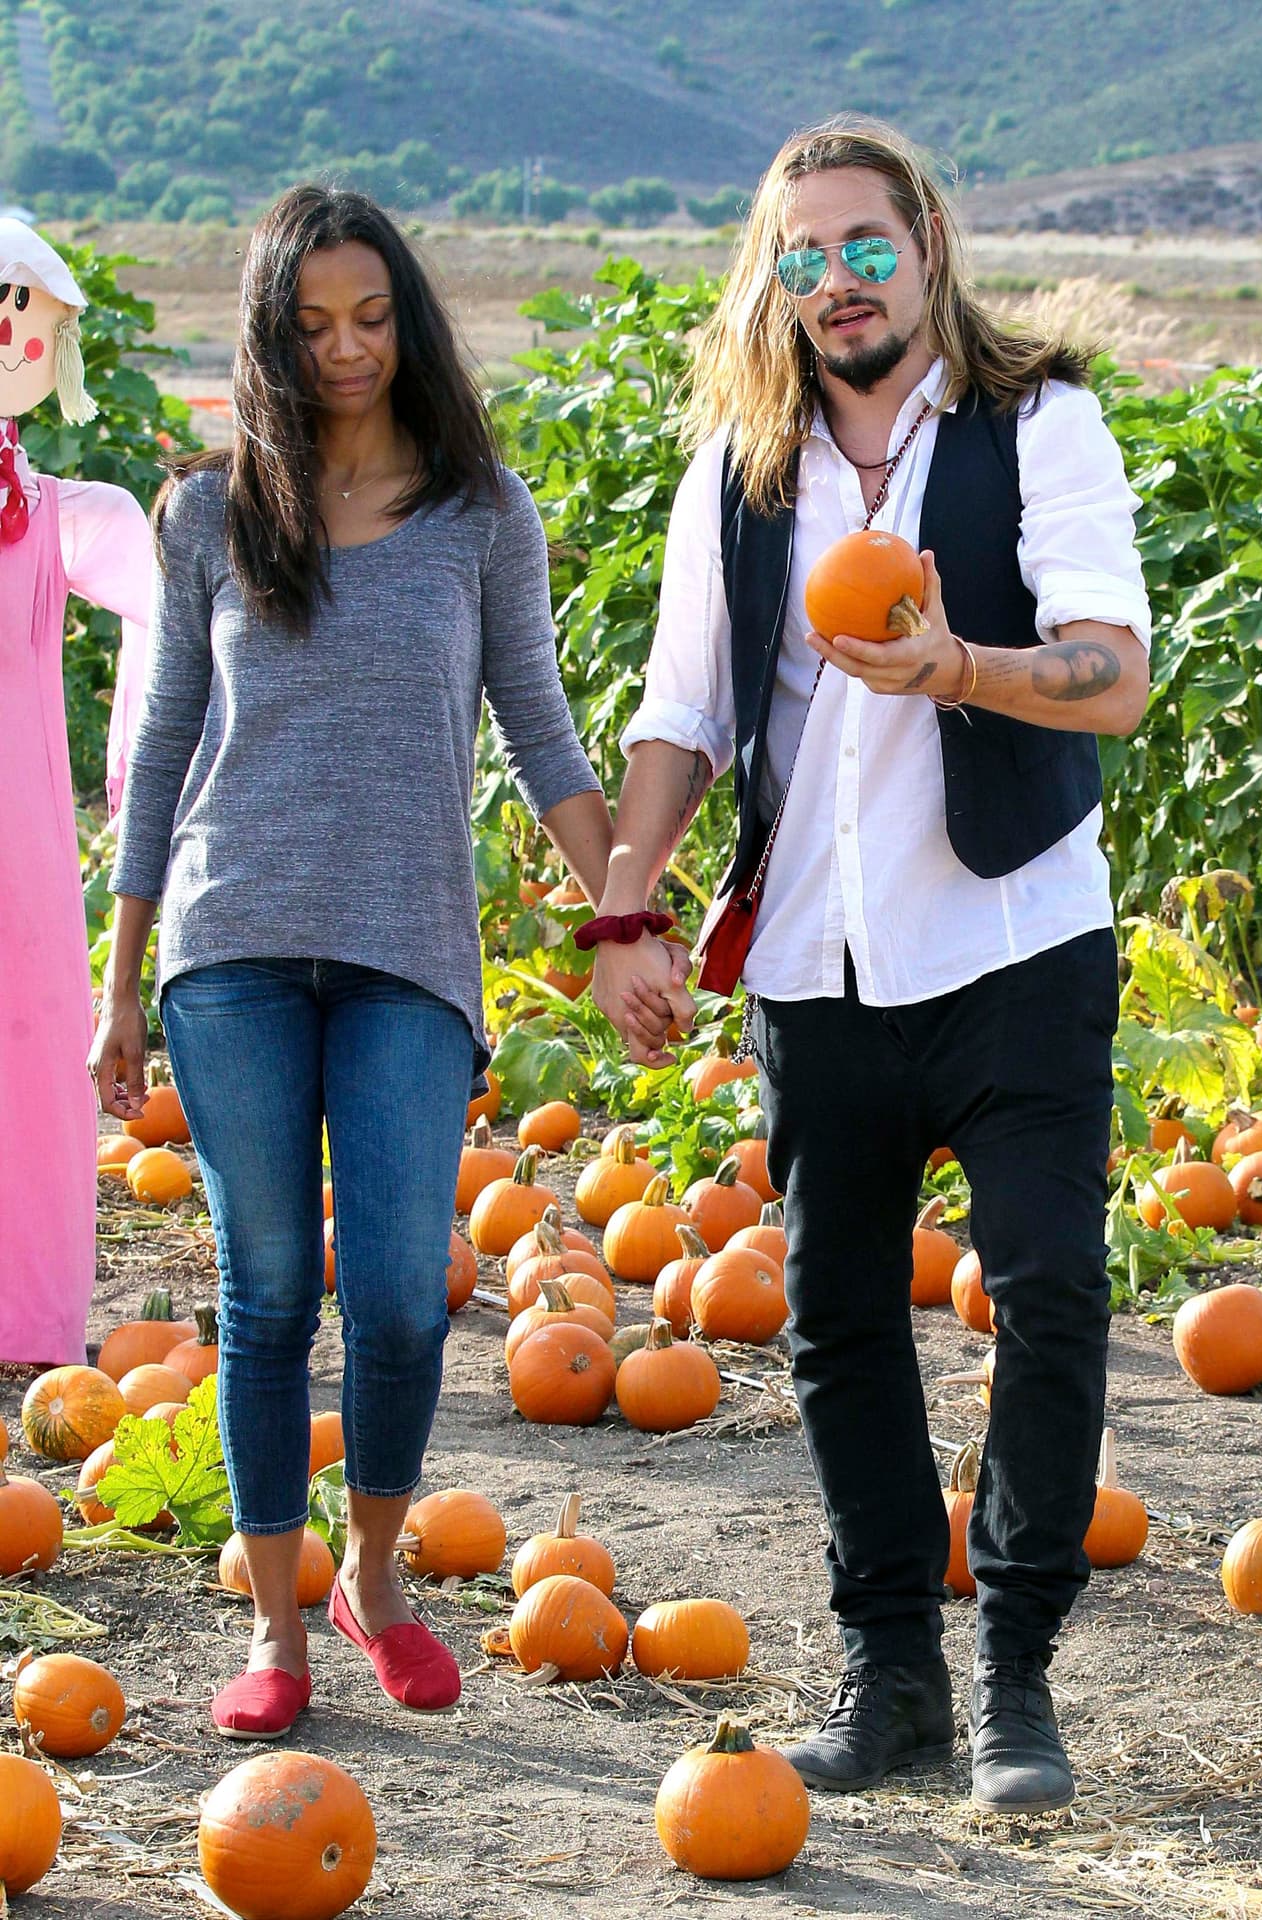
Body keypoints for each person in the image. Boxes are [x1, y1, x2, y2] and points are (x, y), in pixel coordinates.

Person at [589, 117, 1150, 1813]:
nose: (838, 280)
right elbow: (685, 719)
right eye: (803, 254)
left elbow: (1109, 674)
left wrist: (953, 667)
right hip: (820, 954)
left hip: (1013, 933)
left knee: (1048, 1287)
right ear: (777, 280)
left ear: (927, 245)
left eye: (864, 245)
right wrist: (628, 904)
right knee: (838, 1316)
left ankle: (1017, 1679)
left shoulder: (1037, 425)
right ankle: (892, 1674)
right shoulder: (742, 475)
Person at [89, 185, 612, 1741]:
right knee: (265, 1293)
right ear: (269, 332)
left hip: (407, 957)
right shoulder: (207, 513)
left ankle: (374, 1579)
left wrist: (625, 914)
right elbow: (163, 746)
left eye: (372, 318)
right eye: (311, 325)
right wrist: (121, 980)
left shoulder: (479, 513)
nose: (345, 349)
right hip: (230, 942)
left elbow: (540, 730)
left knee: (392, 1294)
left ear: (412, 321)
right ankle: (273, 1627)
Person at [0, 219, 150, 1370]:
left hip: (22, 843)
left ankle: (26, 1322)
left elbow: (163, 606)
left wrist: (141, 758)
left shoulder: (60, 518)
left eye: (27, 315)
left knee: (35, 1049)